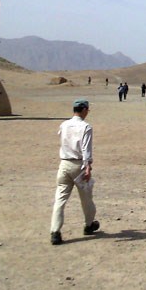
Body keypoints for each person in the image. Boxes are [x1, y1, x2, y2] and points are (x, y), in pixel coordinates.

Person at [50, 99, 99, 245]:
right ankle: (89, 225)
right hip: (79, 166)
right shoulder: (86, 127)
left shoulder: (64, 124)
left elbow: (62, 139)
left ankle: (55, 231)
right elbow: (86, 148)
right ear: (83, 110)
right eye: (87, 110)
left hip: (64, 164)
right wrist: (87, 166)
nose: (87, 112)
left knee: (60, 199)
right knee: (86, 198)